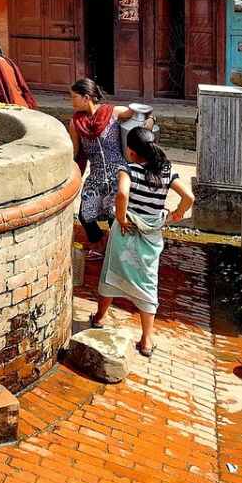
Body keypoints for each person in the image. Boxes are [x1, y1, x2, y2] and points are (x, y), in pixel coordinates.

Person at [91, 127, 194, 357]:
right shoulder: (166, 171)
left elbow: (122, 195)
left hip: (126, 232)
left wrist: (120, 217)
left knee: (111, 273)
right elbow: (189, 197)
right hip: (151, 236)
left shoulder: (127, 169)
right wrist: (177, 213)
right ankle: (147, 340)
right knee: (148, 283)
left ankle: (99, 318)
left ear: (131, 151)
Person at [68, 78, 135, 261]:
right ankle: (99, 242)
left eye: (74, 97)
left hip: (118, 172)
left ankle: (118, 253)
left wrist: (150, 119)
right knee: (85, 215)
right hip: (96, 173)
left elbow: (137, 112)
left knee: (116, 216)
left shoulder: (112, 112)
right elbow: (75, 151)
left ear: (86, 97)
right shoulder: (75, 123)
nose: (71, 101)